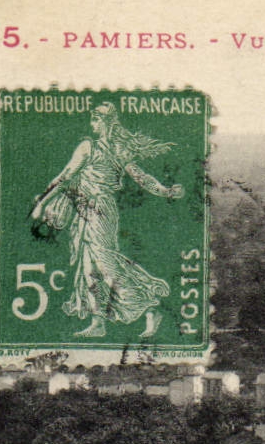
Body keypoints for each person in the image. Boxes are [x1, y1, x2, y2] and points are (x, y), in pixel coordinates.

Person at [31, 102, 184, 339]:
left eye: (95, 119)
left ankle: (150, 307)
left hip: (98, 210)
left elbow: (65, 177)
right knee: (89, 267)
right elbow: (142, 178)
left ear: (105, 122)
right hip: (90, 210)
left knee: (105, 264)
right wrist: (165, 191)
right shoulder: (115, 149)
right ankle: (99, 322)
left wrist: (41, 202)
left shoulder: (89, 147)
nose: (92, 124)